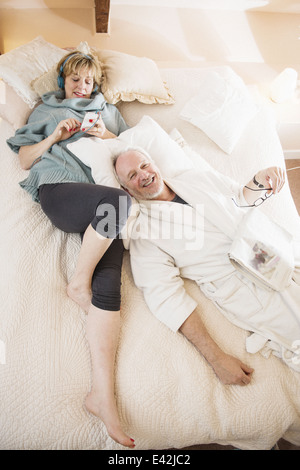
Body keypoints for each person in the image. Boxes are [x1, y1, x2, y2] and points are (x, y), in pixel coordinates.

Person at [7, 51, 135, 448]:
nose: (82, 88)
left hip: (97, 197)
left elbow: (131, 146)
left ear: (96, 85)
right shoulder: (46, 109)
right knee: (118, 203)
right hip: (61, 193)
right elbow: (26, 159)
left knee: (109, 285)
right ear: (63, 81)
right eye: (75, 80)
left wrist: (106, 136)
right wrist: (55, 136)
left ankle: (103, 398)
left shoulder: (105, 110)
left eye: (89, 83)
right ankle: (77, 282)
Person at [113, 148, 300, 384]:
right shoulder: (145, 233)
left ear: (154, 164)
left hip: (271, 248)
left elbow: (240, 198)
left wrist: (261, 178)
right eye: (132, 176)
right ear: (127, 190)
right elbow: (166, 296)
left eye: (144, 165)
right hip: (248, 286)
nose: (144, 175)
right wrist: (216, 358)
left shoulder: (195, 178)